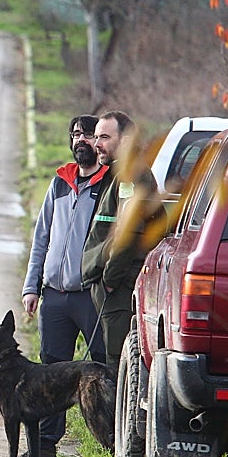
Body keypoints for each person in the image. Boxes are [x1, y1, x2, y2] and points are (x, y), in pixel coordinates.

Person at [19, 115, 109, 457]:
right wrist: (31, 286)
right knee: (50, 374)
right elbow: (42, 237)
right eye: (75, 134)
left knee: (102, 364)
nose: (80, 140)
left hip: (90, 295)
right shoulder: (59, 182)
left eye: (87, 134)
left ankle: (114, 443)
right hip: (54, 295)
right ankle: (43, 452)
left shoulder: (110, 185)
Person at [81, 111, 166, 385]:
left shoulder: (132, 175)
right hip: (112, 285)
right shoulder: (118, 173)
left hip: (118, 287)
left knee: (118, 367)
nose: (96, 144)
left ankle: (116, 428)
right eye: (96, 137)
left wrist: (109, 280)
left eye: (104, 137)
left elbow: (129, 233)